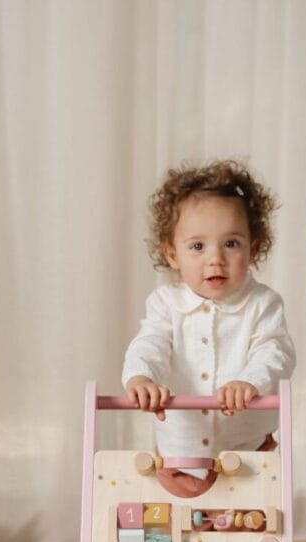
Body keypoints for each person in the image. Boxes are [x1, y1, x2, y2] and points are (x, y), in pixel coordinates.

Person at [122, 159, 295, 498]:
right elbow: (150, 343)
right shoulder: (165, 304)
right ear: (173, 254)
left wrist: (250, 381)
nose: (215, 258)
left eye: (230, 243)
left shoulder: (263, 304)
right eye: (198, 247)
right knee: (180, 524)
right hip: (180, 455)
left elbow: (275, 352)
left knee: (248, 523)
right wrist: (141, 376)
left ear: (253, 247)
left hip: (247, 453)